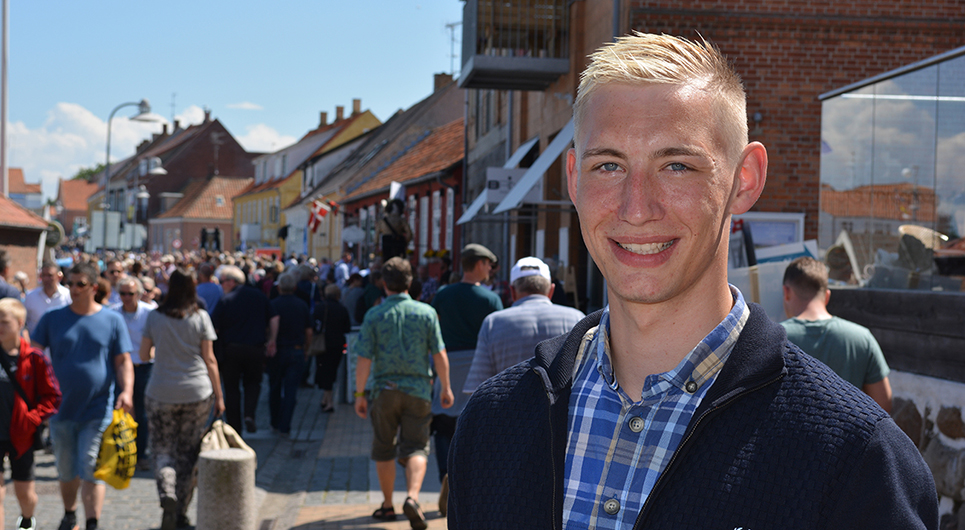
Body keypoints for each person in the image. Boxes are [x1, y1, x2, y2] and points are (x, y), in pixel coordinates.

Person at [447, 33, 937, 529]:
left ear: (744, 179)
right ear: (574, 178)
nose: (636, 208)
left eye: (677, 165)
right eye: (609, 165)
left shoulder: (853, 458)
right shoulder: (493, 424)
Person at [32, 262, 134, 530]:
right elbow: (34, 354)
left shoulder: (112, 320)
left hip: (97, 407)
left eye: (80, 284)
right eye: (71, 284)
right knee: (66, 470)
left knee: (90, 465)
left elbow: (123, 360)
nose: (74, 289)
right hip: (60, 409)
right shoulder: (52, 318)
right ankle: (69, 513)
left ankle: (92, 521)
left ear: (94, 287)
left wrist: (127, 391)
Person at [354, 257, 453, 530]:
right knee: (417, 447)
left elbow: (364, 359)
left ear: (384, 283)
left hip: (384, 390)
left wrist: (359, 393)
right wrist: (445, 387)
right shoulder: (426, 313)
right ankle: (412, 496)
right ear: (410, 282)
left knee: (384, 448)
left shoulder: (374, 315)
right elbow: (439, 353)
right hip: (419, 389)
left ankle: (387, 506)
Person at [139, 268, 224, 530]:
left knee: (162, 448)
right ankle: (182, 512)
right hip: (196, 391)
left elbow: (143, 355)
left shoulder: (154, 317)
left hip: (161, 390)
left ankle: (167, 493)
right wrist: (220, 396)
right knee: (188, 453)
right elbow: (209, 359)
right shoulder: (200, 318)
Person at [429, 243, 502, 491]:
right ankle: (467, 478)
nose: (490, 270)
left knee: (442, 424)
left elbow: (434, 331)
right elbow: (497, 334)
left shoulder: (443, 294)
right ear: (480, 264)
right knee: (475, 424)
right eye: (489, 265)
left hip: (446, 364)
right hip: (478, 366)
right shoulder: (491, 298)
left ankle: (443, 476)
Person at [780, 256, 893, 411]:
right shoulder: (862, 338)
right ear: (827, 296)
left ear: (786, 292)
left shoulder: (776, 339)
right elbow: (883, 403)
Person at [463, 257, 585, 394]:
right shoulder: (577, 319)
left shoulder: (493, 323)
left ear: (512, 291)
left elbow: (477, 386)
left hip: (507, 412)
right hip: (562, 413)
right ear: (551, 291)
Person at [0, 298, 62, 530]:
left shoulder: (35, 359)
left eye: (4, 322)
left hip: (22, 436)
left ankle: (27, 519)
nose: (0, 327)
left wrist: (33, 418)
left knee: (24, 493)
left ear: (20, 323)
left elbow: (52, 397)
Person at [210, 265, 278, 435]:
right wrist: (272, 340)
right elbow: (274, 317)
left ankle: (235, 428)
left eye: (223, 282)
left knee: (232, 389)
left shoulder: (226, 300)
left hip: (231, 350)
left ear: (232, 281)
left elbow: (214, 327)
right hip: (255, 349)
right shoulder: (259, 296)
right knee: (253, 383)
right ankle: (249, 414)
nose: (221, 285)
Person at [109, 276, 154, 468]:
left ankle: (141, 452)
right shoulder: (112, 313)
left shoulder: (150, 313)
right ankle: (122, 451)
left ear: (140, 294)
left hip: (143, 366)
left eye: (131, 293)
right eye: (123, 293)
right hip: (119, 366)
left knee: (142, 412)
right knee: (121, 409)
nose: (126, 297)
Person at [267, 272, 311, 435]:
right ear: (294, 287)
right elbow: (309, 331)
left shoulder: (273, 304)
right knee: (291, 390)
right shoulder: (301, 305)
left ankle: (274, 422)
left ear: (278, 288)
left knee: (274, 388)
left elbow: (267, 329)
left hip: (277, 351)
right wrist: (307, 348)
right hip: (296, 350)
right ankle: (285, 424)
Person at [314, 284, 351, 412]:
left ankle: (327, 400)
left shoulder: (319, 308)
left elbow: (314, 325)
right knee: (332, 372)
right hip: (337, 344)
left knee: (324, 371)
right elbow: (347, 328)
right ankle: (327, 399)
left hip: (322, 344)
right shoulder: (341, 309)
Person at [23, 261, 71, 337]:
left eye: (50, 275)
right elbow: (23, 322)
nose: (46, 279)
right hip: (35, 346)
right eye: (43, 275)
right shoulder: (30, 296)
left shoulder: (68, 296)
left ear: (59, 277)